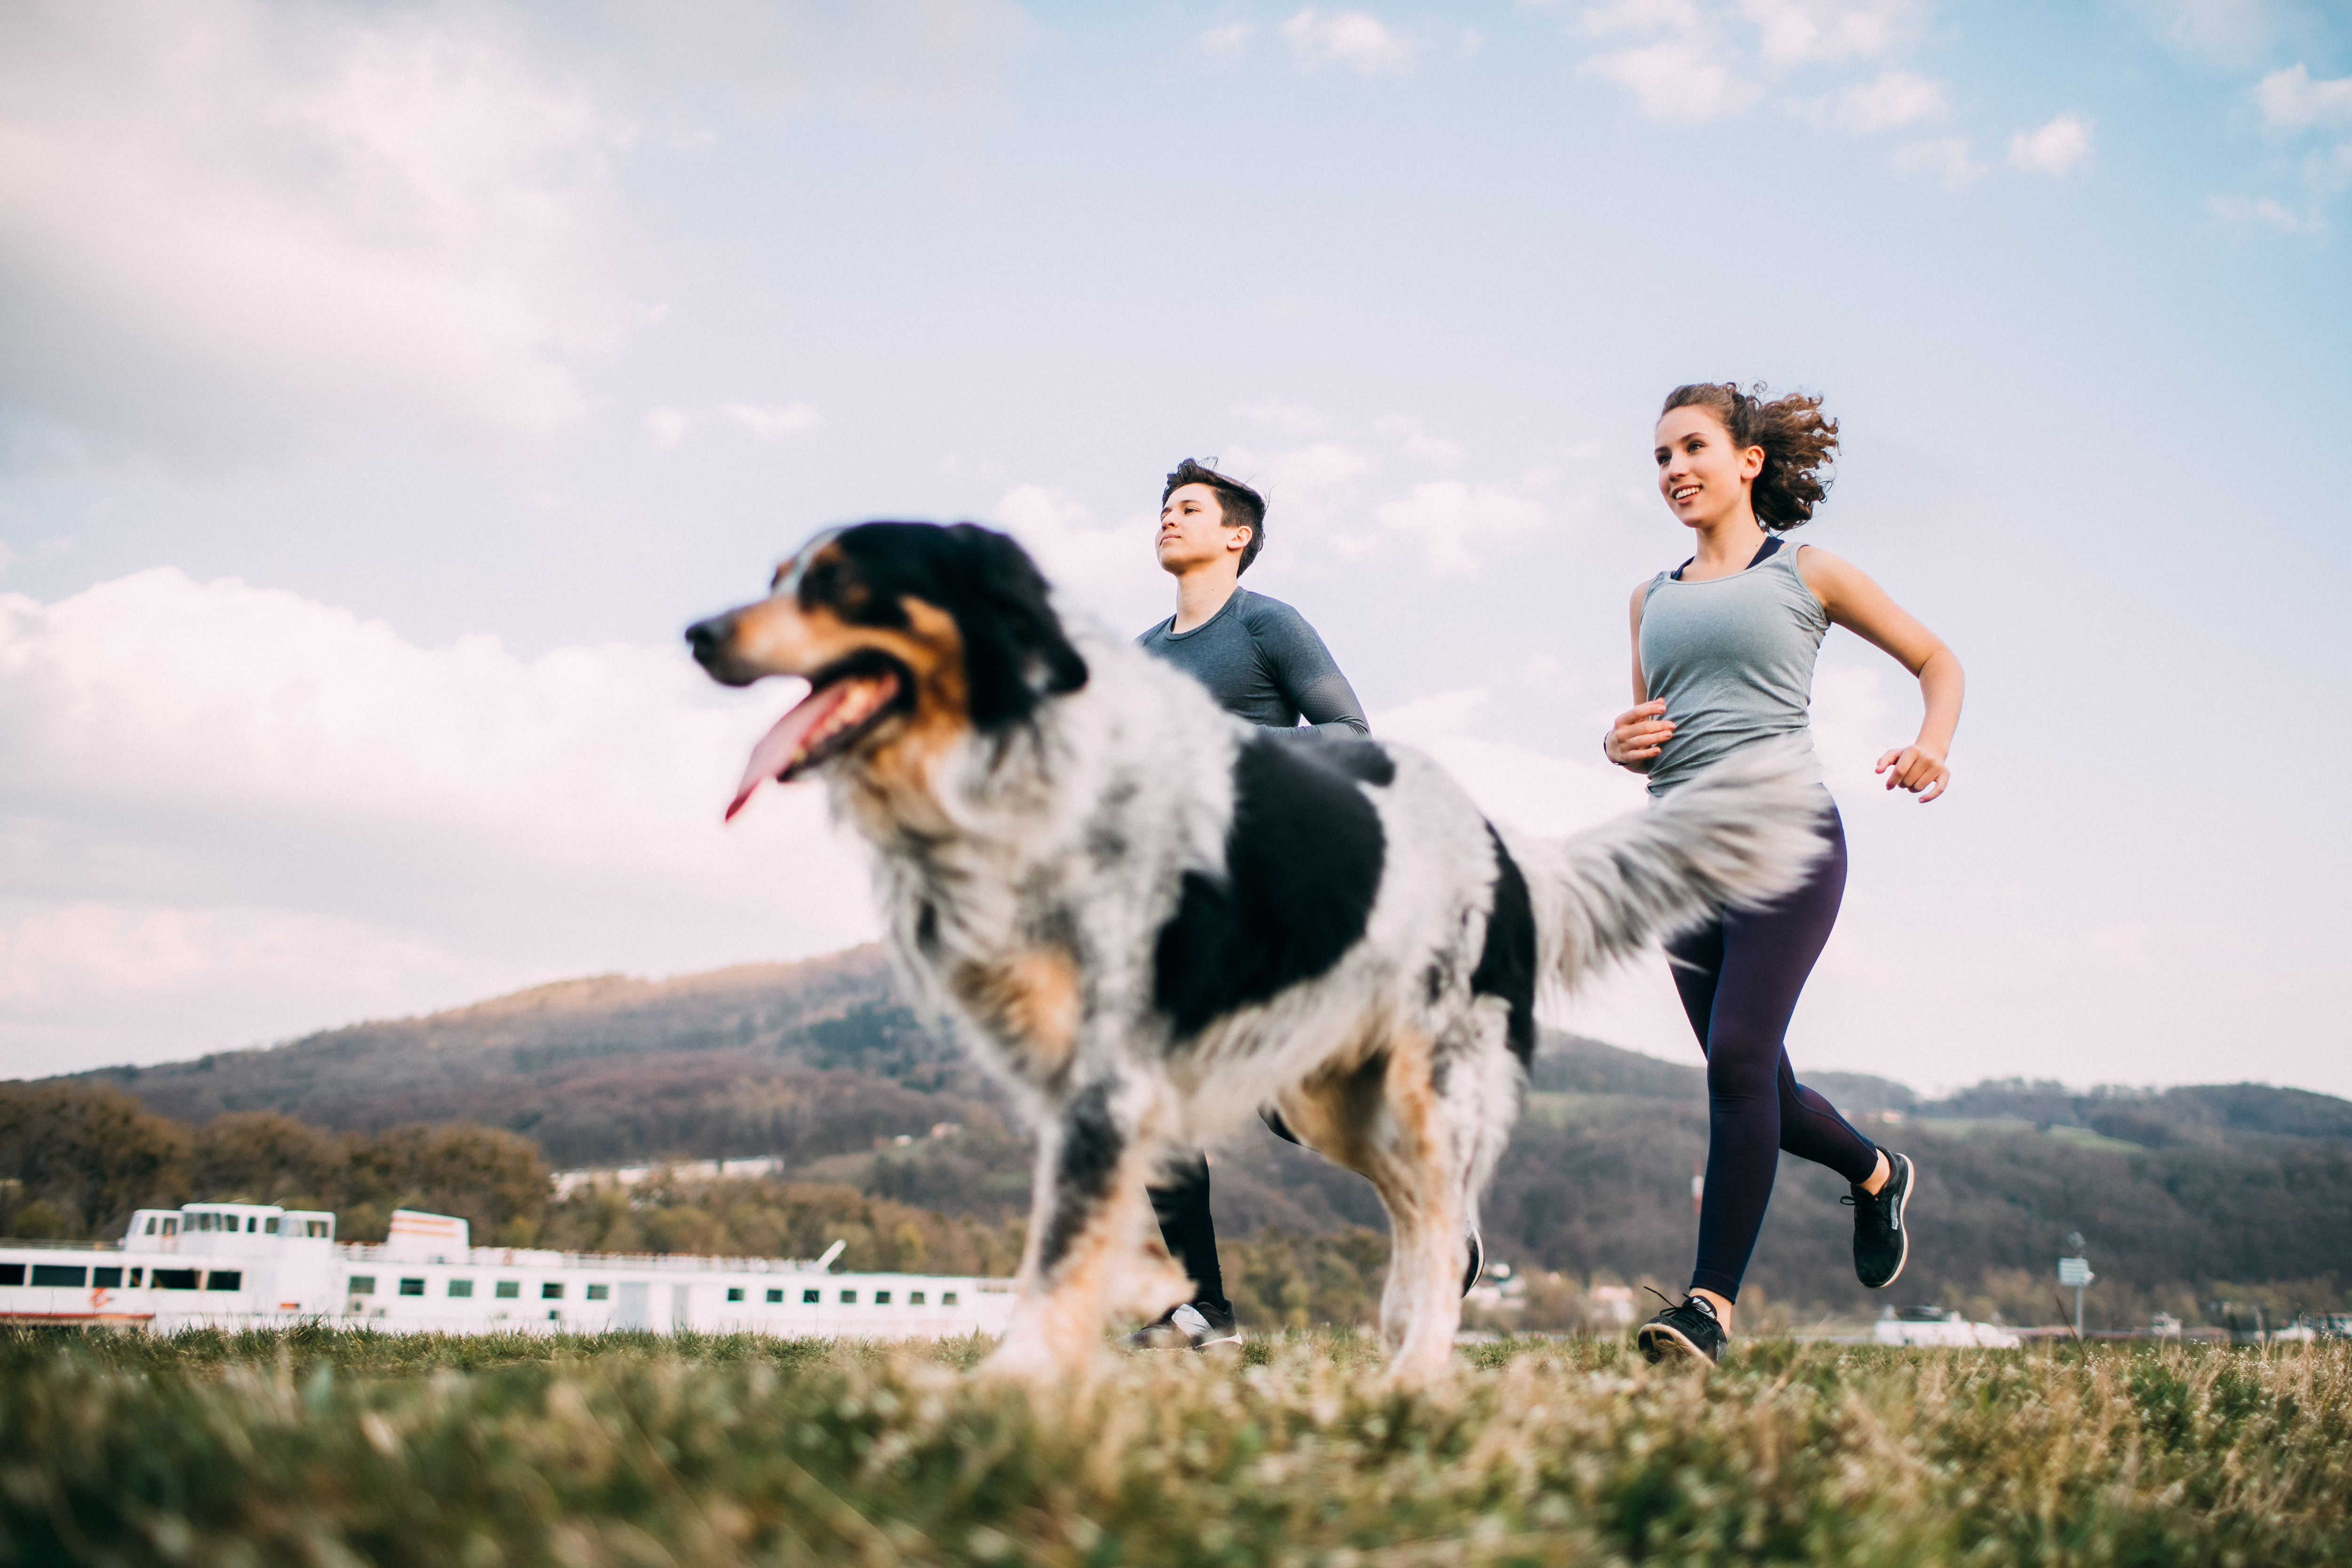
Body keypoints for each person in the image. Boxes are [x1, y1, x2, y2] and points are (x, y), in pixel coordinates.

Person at [1607, 384, 1963, 1365]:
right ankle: (1876, 1170)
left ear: (1747, 460)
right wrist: (1616, 740)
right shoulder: (1650, 598)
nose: (1675, 470)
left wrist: (1932, 742)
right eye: (1661, 457)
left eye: (1692, 448)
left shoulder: (1804, 572)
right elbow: (1647, 734)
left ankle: (1707, 1308)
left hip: (1785, 835)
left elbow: (1937, 659)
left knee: (1735, 1061)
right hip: (1677, 856)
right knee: (1756, 1074)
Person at [1124, 457, 1371, 1351]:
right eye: (1163, 509)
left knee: (1285, 1103)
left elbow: (1349, 736)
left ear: (1238, 535)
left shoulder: (1269, 625)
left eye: (1188, 508)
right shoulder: (1145, 654)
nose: (1167, 519)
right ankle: (1204, 1305)